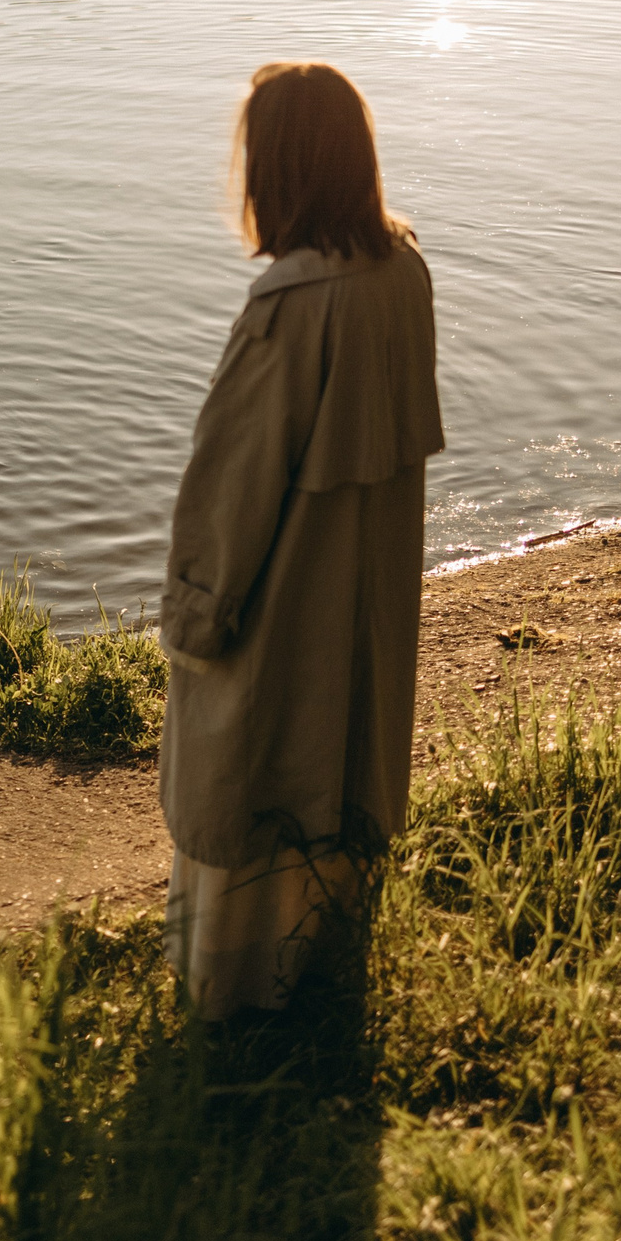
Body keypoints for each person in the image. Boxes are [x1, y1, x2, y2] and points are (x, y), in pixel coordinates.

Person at [158, 60, 444, 1017]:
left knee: (254, 762)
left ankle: (234, 1001)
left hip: (282, 600)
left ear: (277, 170)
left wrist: (196, 610)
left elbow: (231, 480)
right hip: (367, 592)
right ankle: (327, 973)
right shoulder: (403, 270)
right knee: (343, 755)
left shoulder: (289, 304)